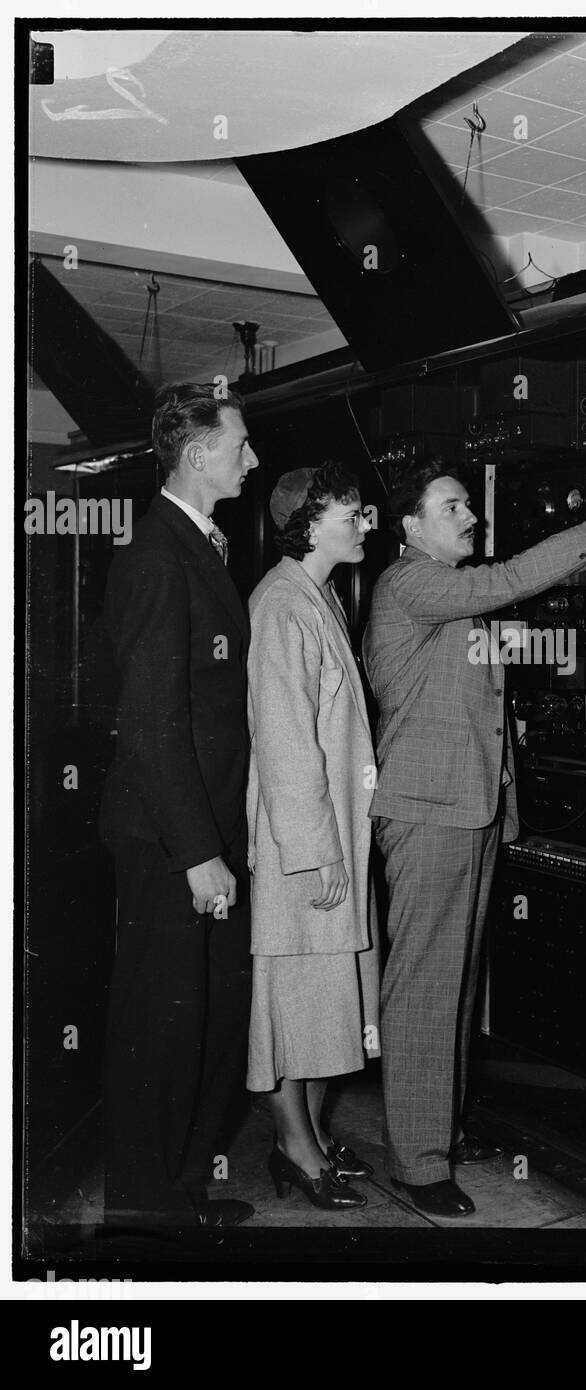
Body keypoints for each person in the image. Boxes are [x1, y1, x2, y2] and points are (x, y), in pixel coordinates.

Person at [363, 456, 586, 1217]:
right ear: (410, 527)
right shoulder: (411, 582)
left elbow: (490, 668)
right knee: (428, 987)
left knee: (456, 984)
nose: (472, 516)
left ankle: (436, 1129)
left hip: (463, 806)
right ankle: (419, 1160)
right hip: (429, 810)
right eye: (454, 507)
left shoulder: (444, 598)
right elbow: (503, 583)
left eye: (469, 505)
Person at [99, 383, 259, 1229]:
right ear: (196, 455)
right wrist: (198, 853)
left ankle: (183, 1190)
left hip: (207, 827)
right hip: (172, 839)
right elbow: (154, 724)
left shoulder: (197, 546)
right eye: (240, 445)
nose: (252, 458)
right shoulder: (157, 556)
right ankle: (143, 1212)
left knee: (210, 1018)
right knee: (159, 1027)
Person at [245, 463, 380, 1211]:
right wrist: (317, 850)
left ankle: (314, 1140)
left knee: (328, 999)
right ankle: (296, 1151)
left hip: (336, 840)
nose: (366, 524)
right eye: (353, 514)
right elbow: (286, 740)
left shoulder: (316, 596)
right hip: (310, 849)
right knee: (298, 1001)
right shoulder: (281, 606)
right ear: (308, 522)